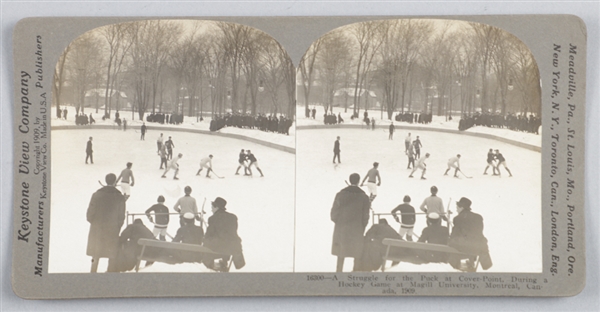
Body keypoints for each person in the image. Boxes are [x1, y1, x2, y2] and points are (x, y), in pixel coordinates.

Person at [331, 173, 371, 272]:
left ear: (349, 180)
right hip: (357, 229)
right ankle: (355, 274)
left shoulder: (340, 194)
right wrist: (362, 226)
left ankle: (339, 272)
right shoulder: (364, 197)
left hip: (342, 228)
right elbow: (366, 216)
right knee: (357, 252)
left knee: (341, 252)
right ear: (358, 181)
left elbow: (333, 213)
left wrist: (339, 222)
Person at [86, 173, 126, 273]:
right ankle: (110, 275)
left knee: (96, 253)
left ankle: (92, 274)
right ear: (115, 182)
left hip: (97, 229)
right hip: (112, 230)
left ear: (106, 181)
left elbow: (89, 214)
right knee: (112, 254)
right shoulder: (120, 197)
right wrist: (116, 227)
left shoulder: (96, 195)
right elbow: (121, 217)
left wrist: (95, 223)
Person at [448, 197, 493, 271]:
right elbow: (479, 232)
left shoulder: (457, 218)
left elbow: (454, 234)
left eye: (457, 207)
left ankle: (455, 263)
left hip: (465, 246)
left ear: (461, 207)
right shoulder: (478, 217)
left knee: (451, 241)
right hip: (478, 246)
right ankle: (483, 264)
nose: (456, 209)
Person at [202, 197, 245, 272]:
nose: (211, 209)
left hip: (219, 246)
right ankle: (224, 262)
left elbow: (209, 234)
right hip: (233, 246)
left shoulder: (212, 218)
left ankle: (211, 264)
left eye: (212, 207)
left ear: (217, 207)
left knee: (207, 242)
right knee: (226, 241)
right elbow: (233, 231)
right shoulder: (233, 217)